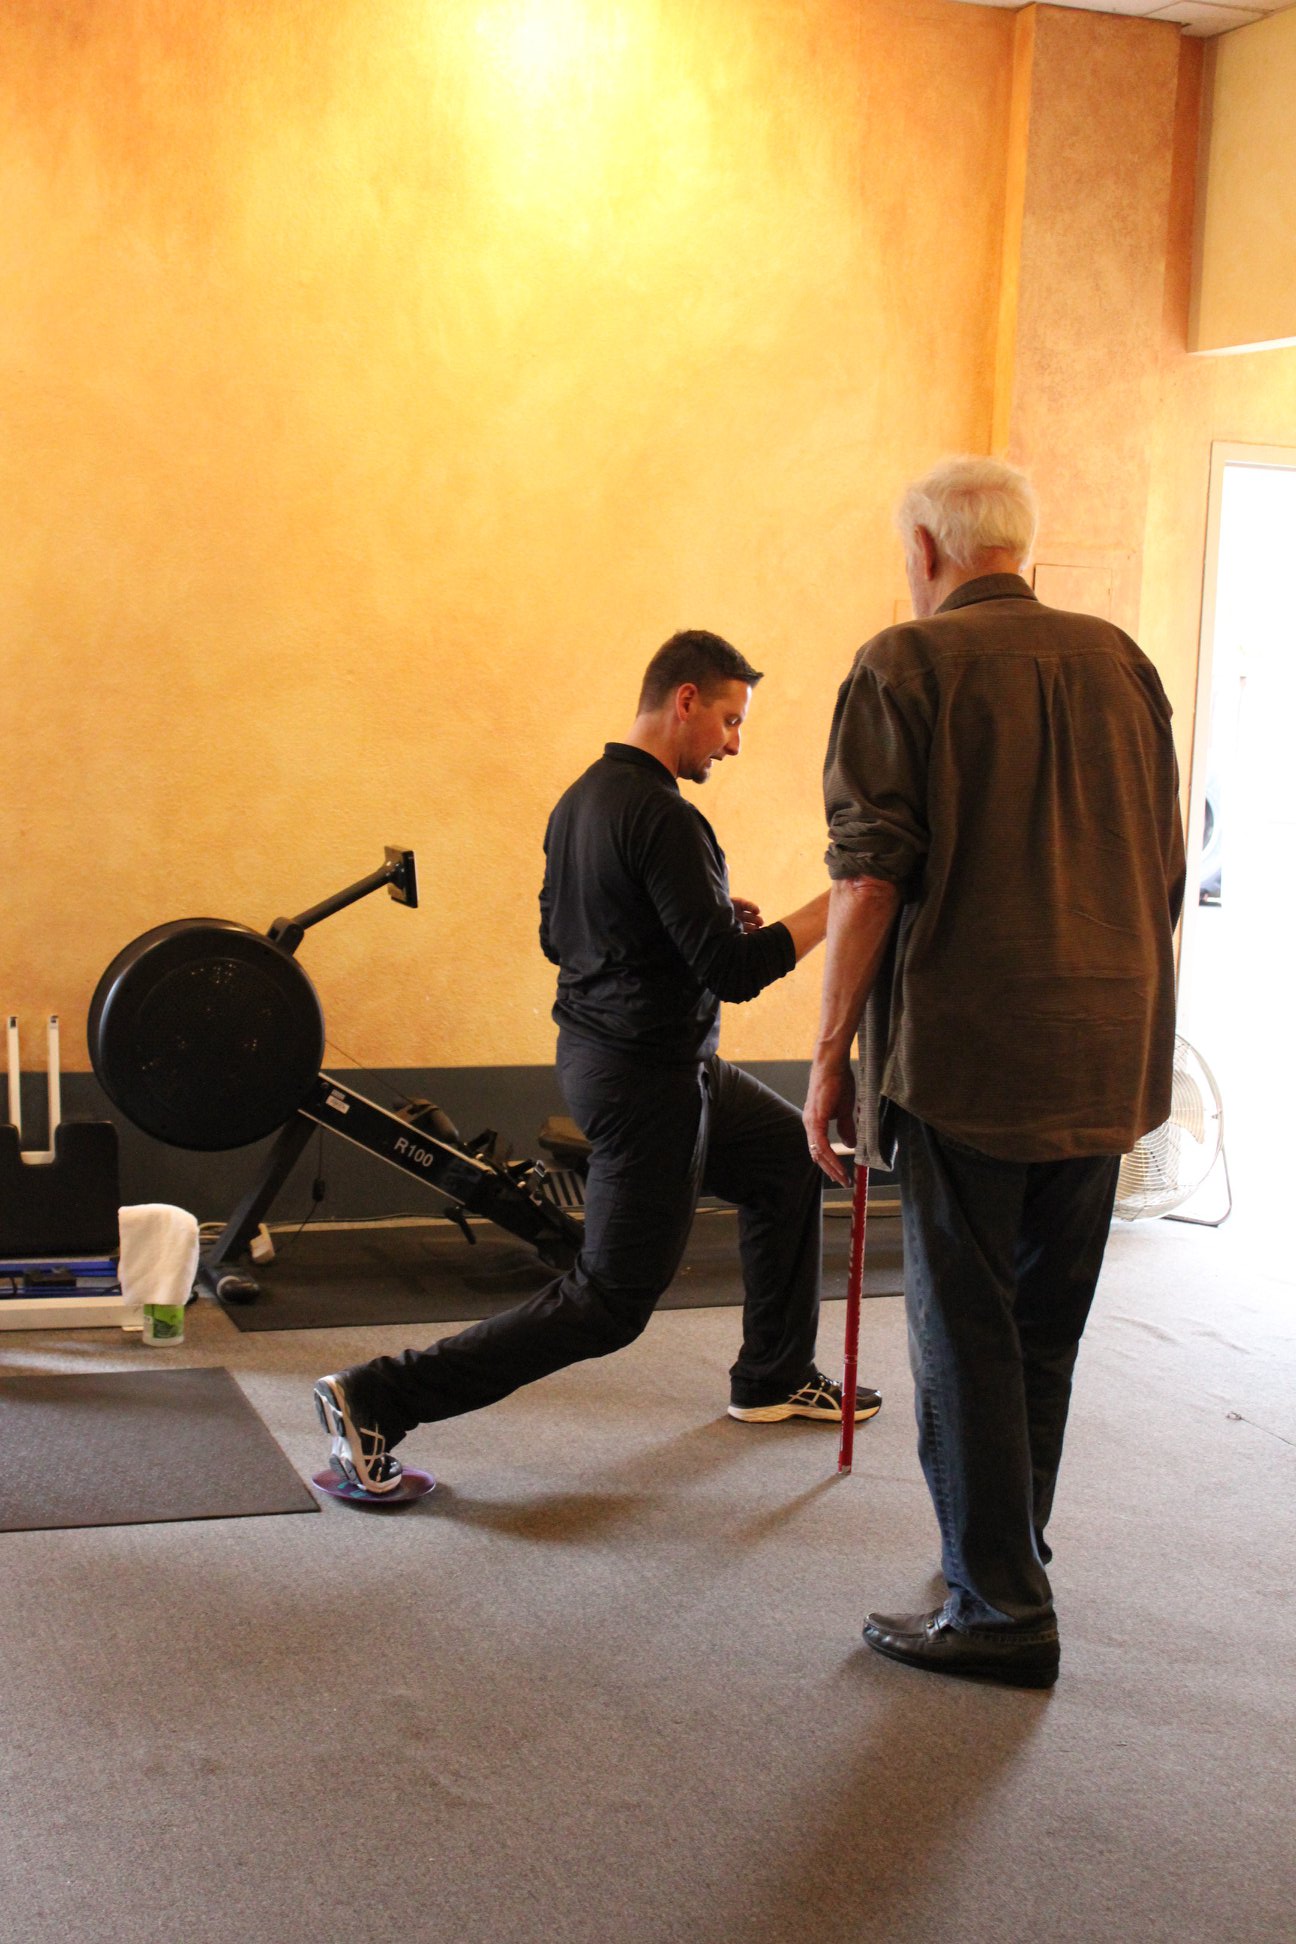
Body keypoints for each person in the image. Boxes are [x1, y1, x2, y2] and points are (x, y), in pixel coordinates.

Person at [317, 629, 882, 1495]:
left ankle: (772, 1375)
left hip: (633, 1058)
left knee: (785, 1162)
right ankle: (377, 1398)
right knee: (608, 1303)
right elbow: (735, 973)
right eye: (730, 720)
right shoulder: (662, 815)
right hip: (648, 1079)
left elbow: (561, 931)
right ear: (684, 701)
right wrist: (838, 903)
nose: (735, 742)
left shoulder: (583, 800)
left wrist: (691, 910)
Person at [803, 457, 1185, 1688]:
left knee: (962, 1327)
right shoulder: (1123, 660)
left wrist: (824, 1062)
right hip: (1107, 1047)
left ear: (925, 549)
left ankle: (1000, 1610)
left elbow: (868, 878)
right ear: (1022, 548)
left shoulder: (902, 666)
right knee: (1044, 1322)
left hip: (971, 1051)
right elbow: (1166, 870)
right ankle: (1012, 1549)